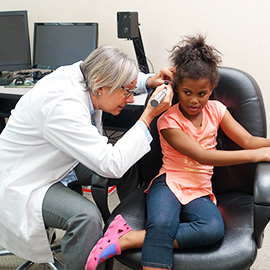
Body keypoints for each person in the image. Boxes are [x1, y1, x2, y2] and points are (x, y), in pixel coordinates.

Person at [85, 35, 270, 270]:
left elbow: (248, 140)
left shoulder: (218, 111)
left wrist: (265, 147)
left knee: (212, 229)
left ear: (211, 89)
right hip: (168, 183)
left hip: (199, 189)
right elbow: (203, 156)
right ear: (176, 89)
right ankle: (140, 241)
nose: (194, 100)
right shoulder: (167, 120)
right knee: (162, 224)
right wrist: (257, 155)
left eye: (201, 94)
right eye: (187, 92)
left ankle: (129, 238)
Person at [0, 45, 174, 270]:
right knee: (85, 217)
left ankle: (126, 227)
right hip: (25, 182)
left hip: (58, 160)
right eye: (127, 92)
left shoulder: (83, 73)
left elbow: (110, 72)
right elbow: (110, 165)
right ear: (100, 86)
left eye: (131, 90)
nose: (130, 99)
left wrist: (147, 81)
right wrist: (148, 115)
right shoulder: (62, 106)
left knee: (130, 164)